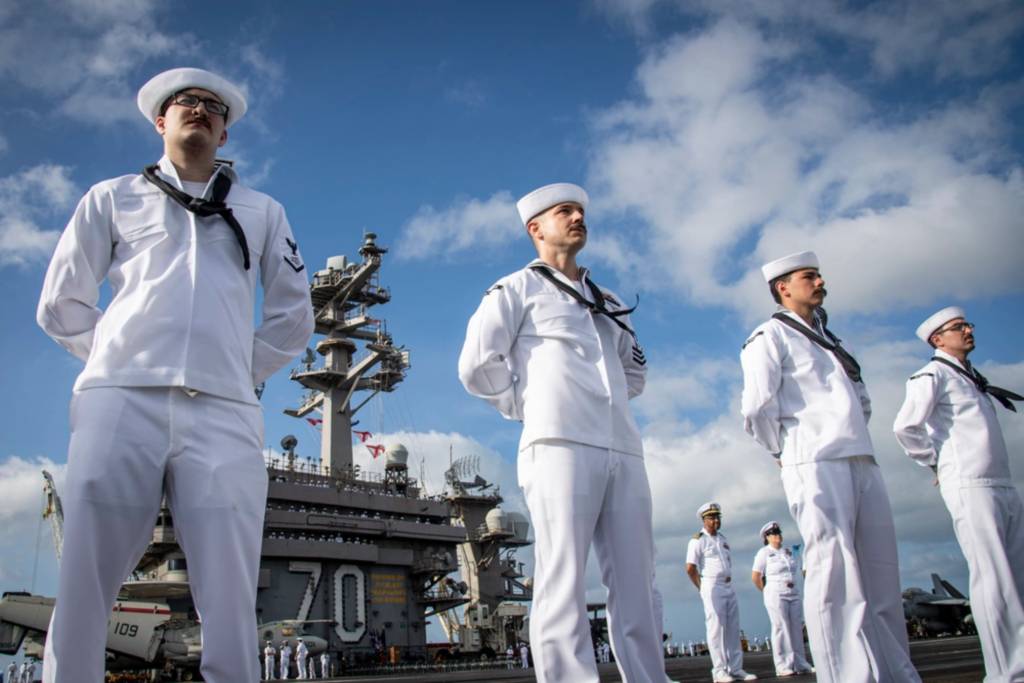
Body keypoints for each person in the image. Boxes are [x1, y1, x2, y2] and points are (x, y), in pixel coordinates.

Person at [36, 67, 313, 683]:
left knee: (231, 587)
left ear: (224, 131)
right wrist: (118, 357)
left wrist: (236, 372)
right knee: (84, 576)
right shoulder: (111, 197)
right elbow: (61, 303)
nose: (199, 109)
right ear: (160, 121)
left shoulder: (263, 211)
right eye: (184, 102)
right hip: (119, 402)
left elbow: (294, 316)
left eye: (213, 106)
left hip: (224, 409)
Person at [458, 183, 664, 683]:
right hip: (558, 442)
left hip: (621, 444)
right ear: (537, 229)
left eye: (580, 212)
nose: (577, 218)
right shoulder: (515, 289)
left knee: (638, 579)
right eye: (564, 212)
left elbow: (634, 373)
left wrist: (603, 402)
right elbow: (476, 366)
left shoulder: (609, 299)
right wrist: (528, 405)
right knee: (563, 574)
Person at [739, 250, 919, 683]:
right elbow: (757, 407)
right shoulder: (770, 336)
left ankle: (896, 673)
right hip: (813, 457)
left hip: (860, 456)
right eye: (809, 276)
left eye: (819, 276)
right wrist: (783, 451)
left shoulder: (834, 341)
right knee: (835, 573)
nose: (820, 282)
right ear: (783, 287)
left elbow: (862, 397)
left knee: (880, 574)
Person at [894, 306, 1024, 681]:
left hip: (1000, 482)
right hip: (970, 484)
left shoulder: (971, 379)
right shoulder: (932, 375)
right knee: (993, 579)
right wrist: (936, 463)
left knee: (1015, 578)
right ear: (938, 339)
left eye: (968, 324)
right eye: (958, 327)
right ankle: (1005, 673)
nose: (968, 330)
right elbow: (906, 428)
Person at [685, 502, 756, 682]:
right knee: (716, 628)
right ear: (704, 519)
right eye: (711, 517)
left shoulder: (723, 539)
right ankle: (719, 671)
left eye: (717, 517)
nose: (715, 520)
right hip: (711, 585)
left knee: (733, 627)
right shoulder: (698, 540)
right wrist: (701, 588)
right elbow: (690, 568)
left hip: (728, 585)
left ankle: (736, 668)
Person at [751, 522, 813, 677]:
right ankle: (782, 665)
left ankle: (800, 663)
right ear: (767, 537)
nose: (777, 535)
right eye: (773, 533)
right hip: (776, 593)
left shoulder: (788, 551)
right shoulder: (764, 553)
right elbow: (756, 576)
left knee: (796, 627)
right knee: (780, 628)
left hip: (793, 592)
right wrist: (766, 591)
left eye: (778, 532)